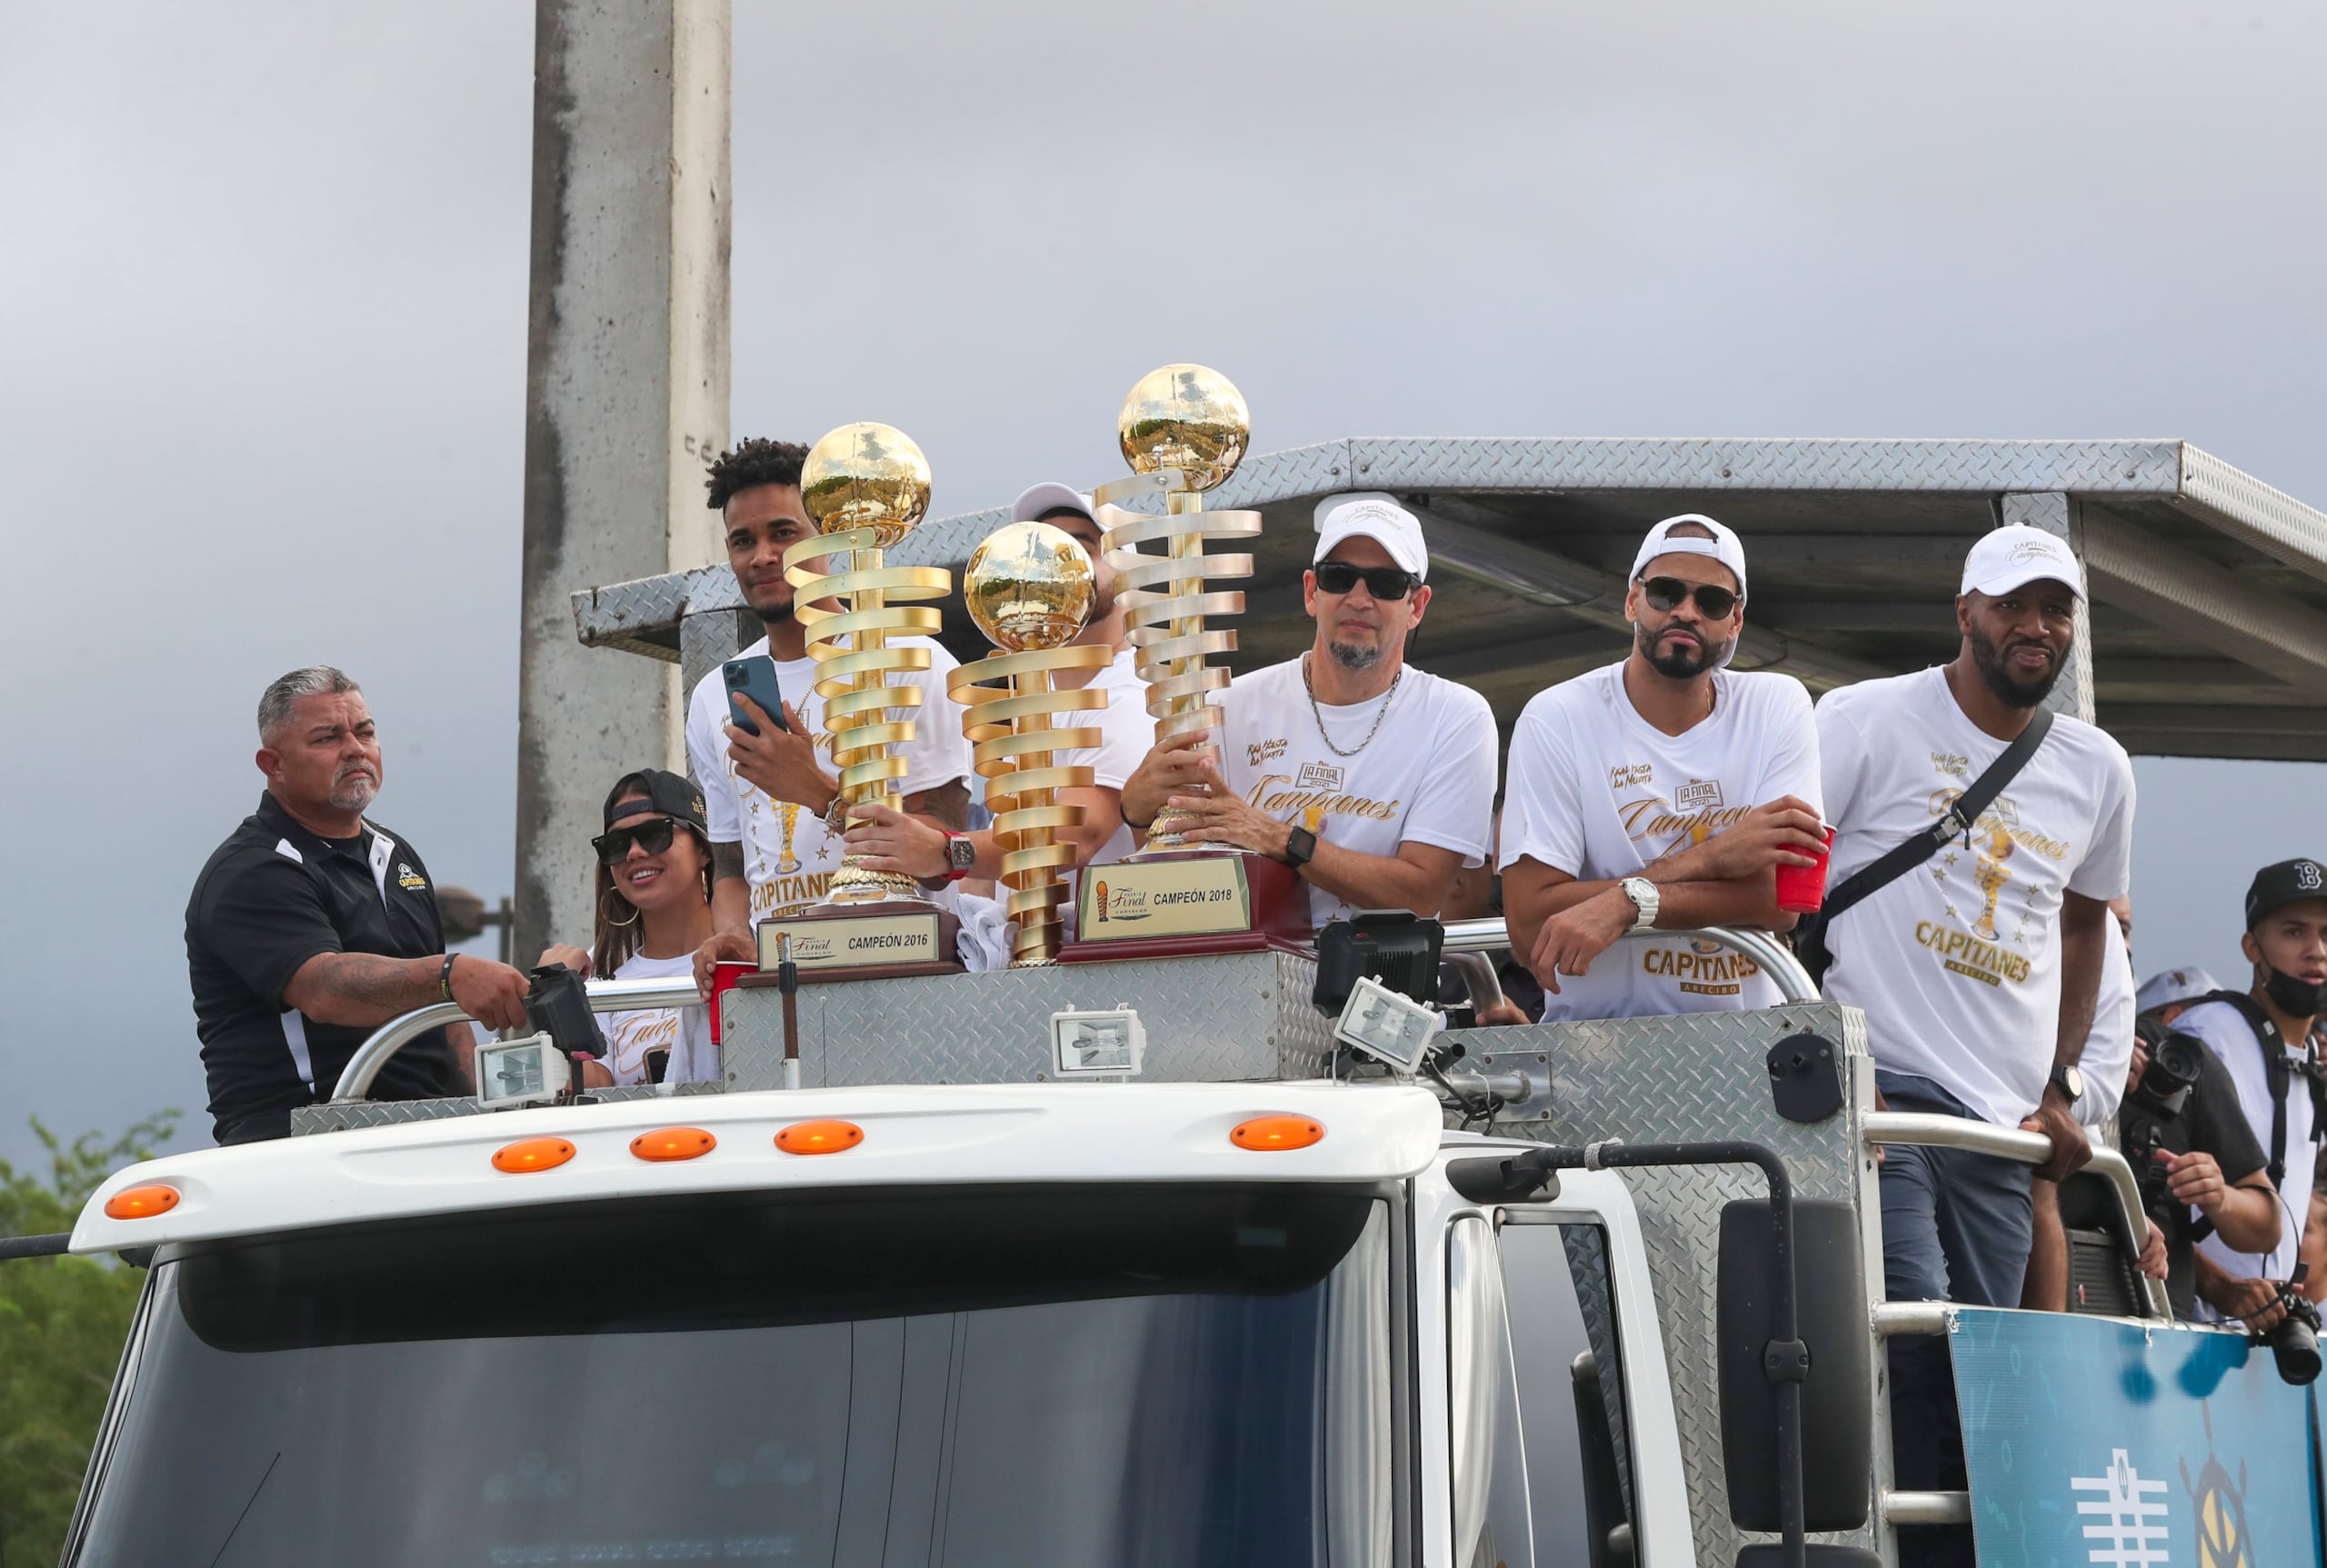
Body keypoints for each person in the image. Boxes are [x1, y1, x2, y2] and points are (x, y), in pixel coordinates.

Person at [1813, 525, 2132, 1561]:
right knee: (1911, 1332)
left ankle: (1957, 1545)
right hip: (1882, 1088)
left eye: (2054, 608)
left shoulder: (2097, 766)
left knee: (1983, 1371)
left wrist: (2062, 1085)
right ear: (1964, 614)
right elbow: (1788, 870)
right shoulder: (1862, 718)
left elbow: (2087, 925)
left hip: (2000, 1123)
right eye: (2010, 606)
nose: (2033, 628)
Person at [1118, 494, 1499, 927]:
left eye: (1386, 584)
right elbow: (1176, 869)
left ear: (1417, 606)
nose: (1359, 598)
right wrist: (1137, 811)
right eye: (1339, 577)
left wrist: (1280, 840)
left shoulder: (1456, 717)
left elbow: (1421, 893)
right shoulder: (1227, 705)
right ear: (1311, 592)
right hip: (1248, 971)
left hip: (1382, 982)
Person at [185, 666, 532, 1143]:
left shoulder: (397, 854)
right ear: (273, 764)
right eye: (327, 737)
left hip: (429, 1130)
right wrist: (451, 974)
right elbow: (325, 989)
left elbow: (450, 1023)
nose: (355, 749)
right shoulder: (252, 869)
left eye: (365, 731)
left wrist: (505, 1109)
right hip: (303, 1140)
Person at [1500, 515, 1825, 1019]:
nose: (1687, 612)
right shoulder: (1558, 716)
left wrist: (1625, 905)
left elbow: (1784, 900)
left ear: (1736, 620)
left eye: (1712, 601)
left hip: (1754, 1049)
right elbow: (1529, 925)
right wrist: (1712, 859)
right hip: (1597, 1049)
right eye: (1665, 593)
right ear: (1633, 600)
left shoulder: (1777, 704)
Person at [684, 439, 975, 990]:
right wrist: (733, 934)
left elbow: (943, 837)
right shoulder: (710, 698)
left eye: (783, 533)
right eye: (743, 541)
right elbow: (729, 866)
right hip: (779, 980)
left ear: (830, 535)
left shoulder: (908, 658)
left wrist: (815, 790)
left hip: (893, 966)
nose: (762, 556)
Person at [844, 481, 1154, 883]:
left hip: (1099, 941)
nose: (1058, 569)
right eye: (1042, 556)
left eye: (1082, 549)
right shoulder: (1034, 705)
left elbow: (1077, 834)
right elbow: (999, 870)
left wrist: (944, 850)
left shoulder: (1131, 693)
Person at [2181, 858, 2327, 1332]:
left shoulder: (2311, 1058)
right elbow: (2145, 1207)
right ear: (2252, 948)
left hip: (2267, 1344)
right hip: (2189, 1329)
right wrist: (2222, 1287)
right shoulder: (2206, 1034)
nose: (2317, 951)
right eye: (2293, 932)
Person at [536, 771, 718, 1086]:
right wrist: (553, 1000)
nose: (634, 852)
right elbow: (594, 1088)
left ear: (703, 848)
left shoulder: (748, 945)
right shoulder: (600, 969)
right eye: (617, 844)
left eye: (654, 834)